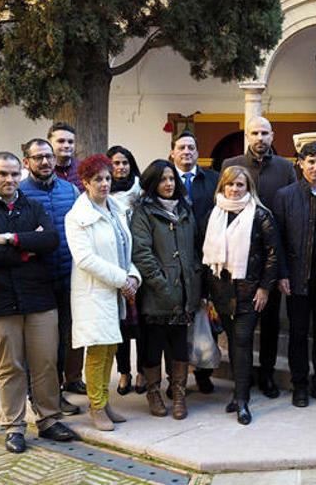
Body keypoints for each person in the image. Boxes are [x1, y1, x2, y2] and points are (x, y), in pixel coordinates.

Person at [0, 151, 78, 453]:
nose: (10, 179)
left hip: (39, 297)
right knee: (11, 366)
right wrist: (28, 247)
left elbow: (51, 241)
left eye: (14, 174)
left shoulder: (34, 206)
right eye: (3, 174)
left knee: (46, 364)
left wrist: (9, 239)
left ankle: (49, 420)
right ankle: (14, 426)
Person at [222, 116, 296, 398]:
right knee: (241, 324)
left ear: (272, 135)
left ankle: (266, 374)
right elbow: (222, 208)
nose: (260, 138)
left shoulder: (285, 168)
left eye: (265, 133)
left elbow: (288, 218)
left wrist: (283, 270)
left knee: (271, 323)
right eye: (255, 133)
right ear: (247, 136)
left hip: (271, 260)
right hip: (238, 263)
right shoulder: (232, 166)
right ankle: (244, 376)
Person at [66, 155, 141, 431]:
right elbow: (85, 259)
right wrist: (123, 279)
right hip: (94, 292)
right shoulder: (77, 217)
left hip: (116, 290)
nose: (105, 183)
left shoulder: (116, 208)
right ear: (85, 182)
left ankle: (104, 402)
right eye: (98, 179)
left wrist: (133, 275)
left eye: (108, 178)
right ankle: (96, 407)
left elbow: (124, 248)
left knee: (111, 348)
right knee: (97, 351)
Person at [202, 166, 280, 425]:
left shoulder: (260, 216)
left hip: (250, 292)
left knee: (243, 341)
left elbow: (272, 254)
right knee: (234, 341)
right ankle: (237, 394)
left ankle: (243, 401)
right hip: (222, 292)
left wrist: (265, 288)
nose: (234, 190)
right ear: (222, 187)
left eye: (240, 185)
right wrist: (208, 293)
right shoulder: (213, 215)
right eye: (230, 185)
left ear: (249, 188)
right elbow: (205, 258)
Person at [131, 160, 201, 420]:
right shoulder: (143, 211)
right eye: (162, 179)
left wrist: (193, 280)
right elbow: (142, 253)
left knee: (180, 346)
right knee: (153, 346)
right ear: (152, 183)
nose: (169, 184)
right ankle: (153, 391)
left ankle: (179, 393)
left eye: (172, 179)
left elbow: (194, 249)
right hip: (155, 293)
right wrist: (161, 283)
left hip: (184, 291)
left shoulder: (185, 209)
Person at [18, 138, 84, 416]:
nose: (44, 162)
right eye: (37, 158)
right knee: (40, 344)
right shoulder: (19, 192)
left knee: (65, 338)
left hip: (67, 276)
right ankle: (42, 394)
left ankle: (59, 388)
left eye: (48, 157)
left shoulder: (70, 190)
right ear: (27, 162)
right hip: (35, 280)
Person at [274, 141, 316, 408]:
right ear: (300, 163)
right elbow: (277, 239)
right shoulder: (285, 195)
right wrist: (282, 274)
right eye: (311, 161)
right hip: (297, 276)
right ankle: (299, 385)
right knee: (298, 333)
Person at [170, 130, 220, 394]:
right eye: (181, 147)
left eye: (191, 147)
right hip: (175, 260)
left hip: (206, 260)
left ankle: (204, 372)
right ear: (173, 152)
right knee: (176, 320)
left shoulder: (212, 179)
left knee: (205, 317)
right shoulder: (164, 180)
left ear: (197, 153)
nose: (186, 152)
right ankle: (176, 378)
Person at [107, 145, 146, 396]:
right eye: (116, 163)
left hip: (140, 263)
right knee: (120, 323)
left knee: (142, 323)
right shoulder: (102, 191)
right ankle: (124, 372)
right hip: (115, 263)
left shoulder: (141, 189)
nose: (121, 167)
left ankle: (143, 370)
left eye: (125, 162)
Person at [48, 122, 83, 192]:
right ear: (49, 143)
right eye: (61, 141)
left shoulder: (83, 168)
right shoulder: (44, 170)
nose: (67, 145)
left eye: (70, 142)